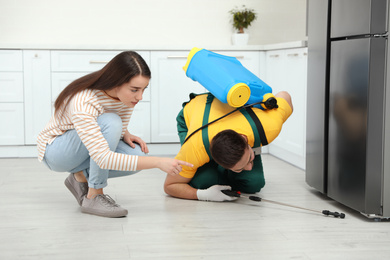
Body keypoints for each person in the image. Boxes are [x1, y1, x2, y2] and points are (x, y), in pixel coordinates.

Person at [37, 51, 193, 218]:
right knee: (112, 122)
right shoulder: (84, 100)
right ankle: (94, 194)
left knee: (137, 153)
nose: (140, 97)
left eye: (143, 89)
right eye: (134, 89)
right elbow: (103, 155)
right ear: (116, 82)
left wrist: (124, 132)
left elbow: (105, 128)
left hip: (83, 146)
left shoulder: (126, 99)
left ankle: (80, 176)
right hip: (55, 152)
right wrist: (158, 162)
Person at [164, 91, 293, 202]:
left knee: (253, 183)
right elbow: (170, 185)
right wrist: (202, 195)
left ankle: (233, 167)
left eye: (249, 158)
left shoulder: (268, 126)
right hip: (195, 114)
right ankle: (215, 171)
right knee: (204, 182)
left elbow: (284, 95)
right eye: (240, 168)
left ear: (245, 139)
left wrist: (268, 98)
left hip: (235, 116)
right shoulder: (195, 148)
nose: (249, 167)